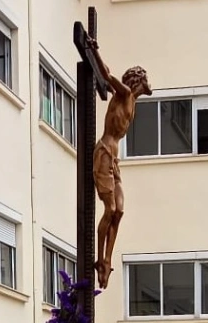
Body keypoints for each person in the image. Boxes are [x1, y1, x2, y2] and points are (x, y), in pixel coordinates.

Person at [87, 37, 152, 289]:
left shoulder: (133, 103)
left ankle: (107, 258)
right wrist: (95, 50)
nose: (148, 83)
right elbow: (106, 74)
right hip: (104, 153)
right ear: (138, 80)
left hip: (114, 160)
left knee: (120, 210)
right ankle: (99, 258)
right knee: (110, 208)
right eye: (145, 79)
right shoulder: (124, 93)